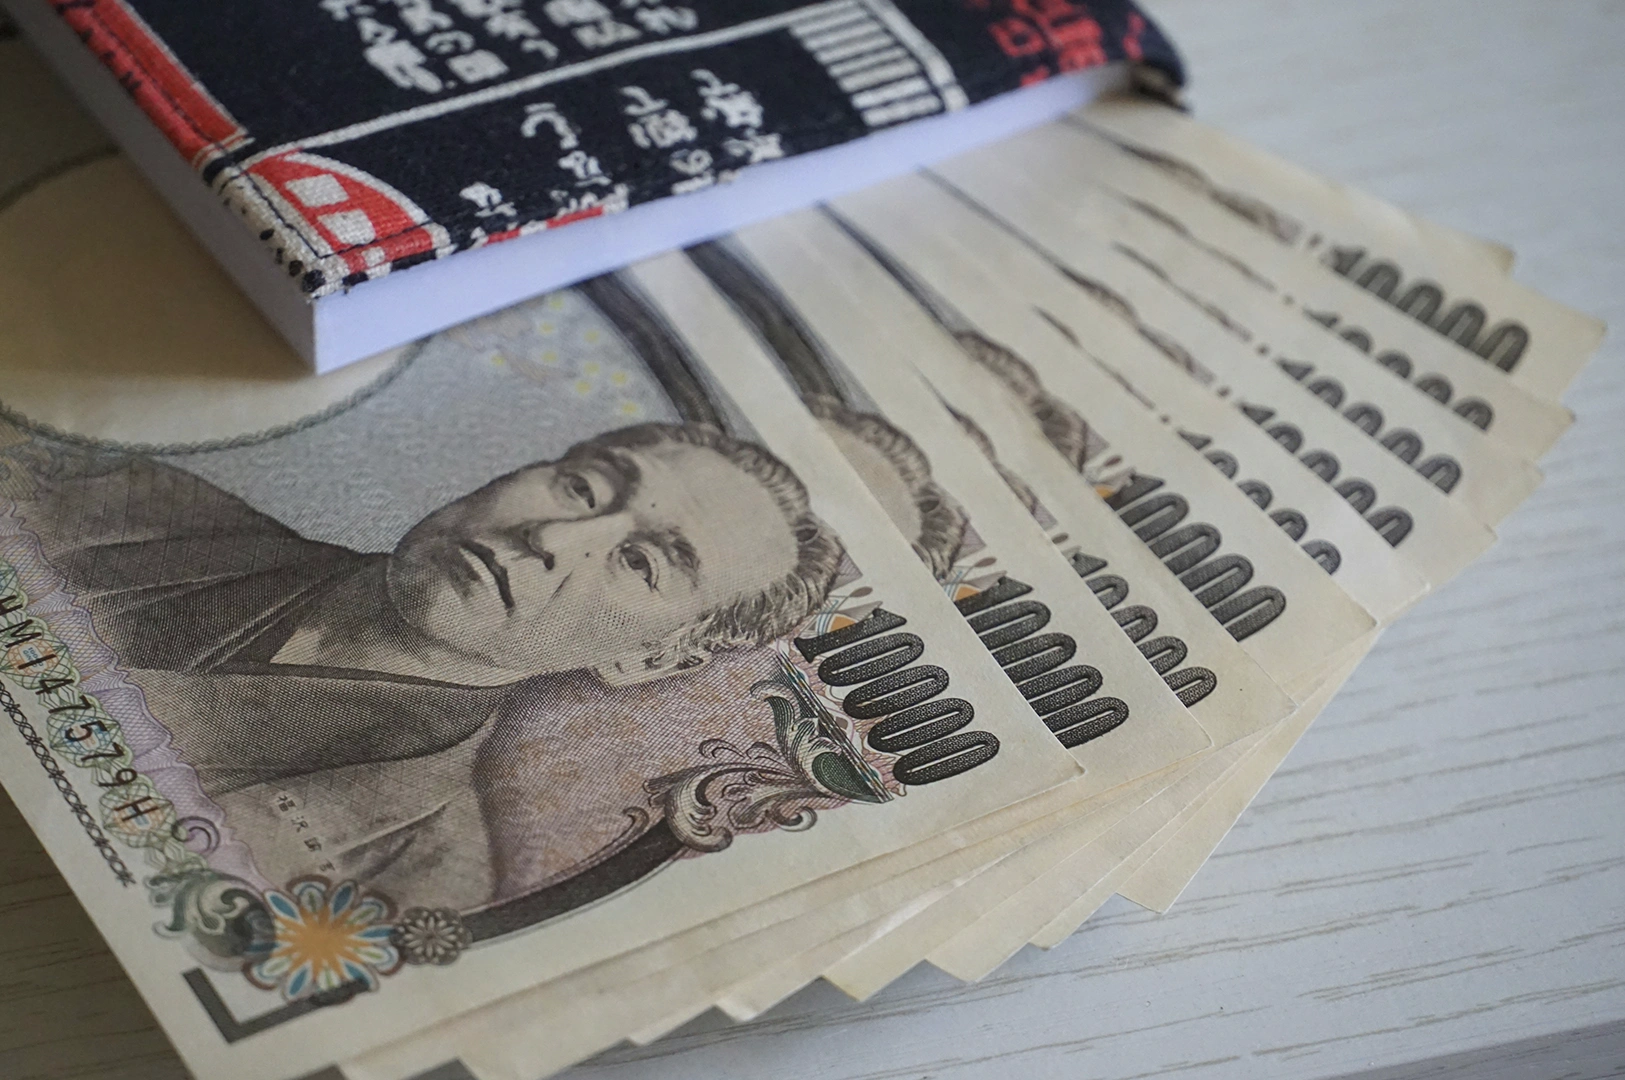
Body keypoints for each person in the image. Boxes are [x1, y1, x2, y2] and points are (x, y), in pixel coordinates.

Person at [10, 420, 844, 908]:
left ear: (647, 659)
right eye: (583, 490)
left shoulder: (418, 872)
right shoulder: (133, 503)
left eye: (641, 563)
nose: (550, 540)